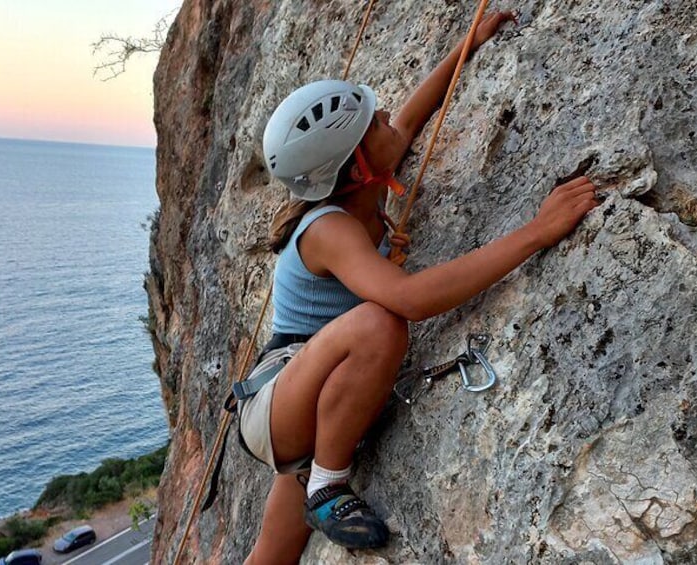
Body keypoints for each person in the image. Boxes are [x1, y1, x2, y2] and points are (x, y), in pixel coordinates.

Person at [239, 11, 598, 564]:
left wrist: (469, 43)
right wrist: (537, 232)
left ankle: (317, 474)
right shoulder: (330, 227)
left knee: (273, 553)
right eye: (371, 125)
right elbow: (411, 300)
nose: (385, 117)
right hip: (282, 399)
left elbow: (411, 117)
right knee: (382, 321)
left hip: (308, 395)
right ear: (356, 166)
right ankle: (328, 485)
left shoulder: (357, 190)